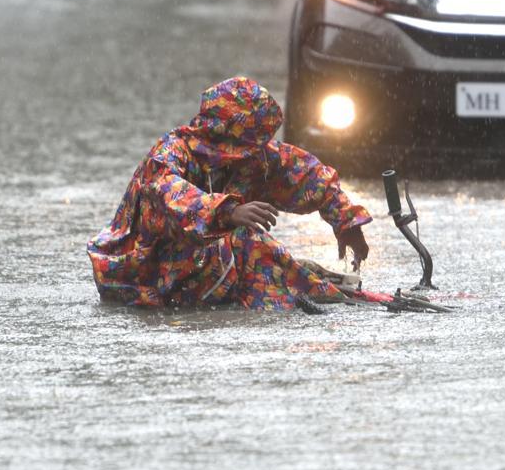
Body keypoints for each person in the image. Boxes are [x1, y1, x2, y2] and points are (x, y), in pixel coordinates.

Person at [86, 76, 371, 313]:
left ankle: (309, 291)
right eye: (251, 141)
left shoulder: (250, 157)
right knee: (249, 243)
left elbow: (302, 173)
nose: (256, 151)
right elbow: (167, 195)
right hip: (143, 274)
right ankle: (320, 298)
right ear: (225, 131)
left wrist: (345, 221)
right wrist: (227, 211)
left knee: (264, 255)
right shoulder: (172, 153)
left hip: (198, 267)